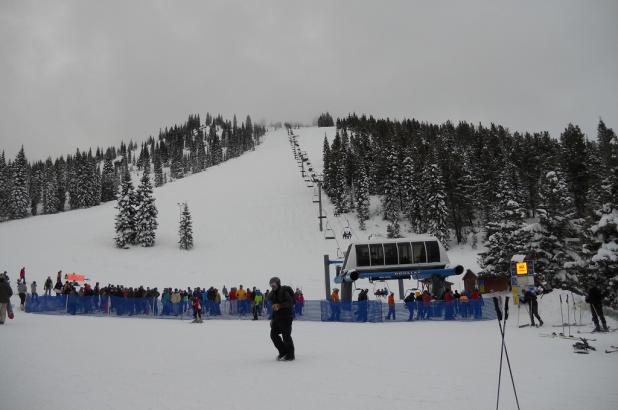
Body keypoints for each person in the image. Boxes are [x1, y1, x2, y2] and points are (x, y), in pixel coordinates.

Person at [267, 277, 295, 361]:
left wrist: (280, 305)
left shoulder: (284, 291)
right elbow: (274, 308)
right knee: (273, 335)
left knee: (286, 336)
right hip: (277, 318)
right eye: (271, 284)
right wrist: (272, 319)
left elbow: (290, 302)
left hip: (286, 317)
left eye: (274, 283)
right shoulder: (272, 293)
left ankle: (290, 355)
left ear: (278, 283)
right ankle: (283, 351)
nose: (272, 285)